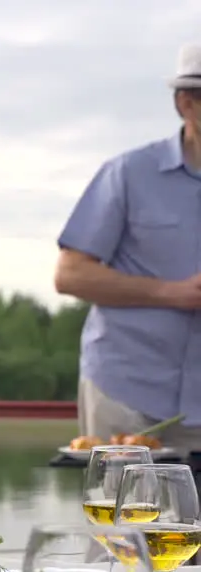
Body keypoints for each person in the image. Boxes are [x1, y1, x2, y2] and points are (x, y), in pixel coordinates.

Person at [55, 42, 201, 452]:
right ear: (186, 104)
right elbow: (70, 274)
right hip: (125, 392)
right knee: (122, 516)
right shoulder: (128, 174)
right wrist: (172, 293)